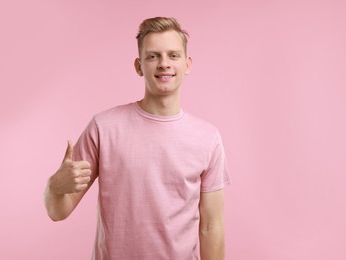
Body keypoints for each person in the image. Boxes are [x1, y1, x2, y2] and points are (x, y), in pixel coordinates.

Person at [44, 17, 231, 260]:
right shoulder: (104, 127)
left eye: (173, 55)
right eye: (153, 56)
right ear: (139, 66)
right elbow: (58, 211)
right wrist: (54, 187)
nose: (164, 63)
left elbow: (211, 226)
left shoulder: (208, 138)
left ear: (187, 64)